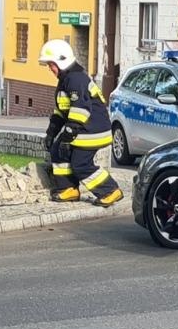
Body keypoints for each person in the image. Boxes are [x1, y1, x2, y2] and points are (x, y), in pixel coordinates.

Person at [40, 38, 122, 207]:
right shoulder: (66, 80)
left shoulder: (76, 79)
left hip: (92, 131)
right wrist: (52, 133)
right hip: (83, 129)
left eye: (51, 65)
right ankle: (69, 189)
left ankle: (110, 190)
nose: (50, 69)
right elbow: (60, 111)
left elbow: (80, 109)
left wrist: (68, 134)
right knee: (57, 151)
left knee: (80, 164)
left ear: (61, 61)